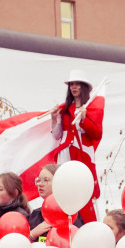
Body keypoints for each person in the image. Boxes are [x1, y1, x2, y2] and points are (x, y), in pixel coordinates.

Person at [50, 70, 103, 223]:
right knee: (65, 186)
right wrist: (54, 120)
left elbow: (97, 134)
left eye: (77, 84)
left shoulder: (92, 108)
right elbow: (57, 135)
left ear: (83, 87)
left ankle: (88, 223)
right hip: (66, 152)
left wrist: (85, 118)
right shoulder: (65, 109)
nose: (74, 87)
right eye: (71, 84)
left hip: (83, 153)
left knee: (85, 187)